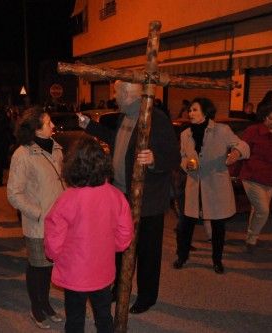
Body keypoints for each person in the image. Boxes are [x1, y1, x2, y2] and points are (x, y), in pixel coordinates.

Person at [78, 80, 180, 314]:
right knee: (119, 246)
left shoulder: (155, 118)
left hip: (148, 201)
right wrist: (89, 126)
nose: (114, 96)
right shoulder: (125, 117)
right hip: (121, 195)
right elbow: (117, 141)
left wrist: (154, 160)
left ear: (128, 93)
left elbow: (173, 156)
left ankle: (147, 297)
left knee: (147, 251)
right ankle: (118, 289)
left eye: (116, 91)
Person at [44, 136, 134, 333]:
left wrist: (54, 255)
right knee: (103, 315)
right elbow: (125, 234)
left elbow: (53, 238)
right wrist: (113, 246)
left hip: (74, 271)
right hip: (102, 268)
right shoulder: (116, 196)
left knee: (75, 318)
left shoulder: (67, 199)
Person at [173, 97, 250, 274]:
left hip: (215, 186)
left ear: (205, 112)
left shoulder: (222, 130)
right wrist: (187, 165)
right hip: (194, 186)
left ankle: (217, 260)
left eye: (194, 110)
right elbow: (183, 156)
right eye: (190, 110)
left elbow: (242, 145)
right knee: (185, 224)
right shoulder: (185, 134)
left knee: (218, 227)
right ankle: (182, 256)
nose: (190, 113)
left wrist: (237, 152)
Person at [7, 107, 64, 329]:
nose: (52, 126)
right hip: (38, 223)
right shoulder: (22, 154)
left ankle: (46, 304)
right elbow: (13, 193)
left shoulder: (57, 149)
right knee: (37, 266)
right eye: (48, 123)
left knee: (50, 267)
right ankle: (36, 308)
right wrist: (38, 213)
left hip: (59, 222)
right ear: (36, 129)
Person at [239, 104, 272, 253]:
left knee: (257, 209)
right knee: (263, 210)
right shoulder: (253, 131)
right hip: (252, 176)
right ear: (264, 117)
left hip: (271, 178)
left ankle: (250, 238)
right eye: (271, 118)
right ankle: (252, 240)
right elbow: (242, 150)